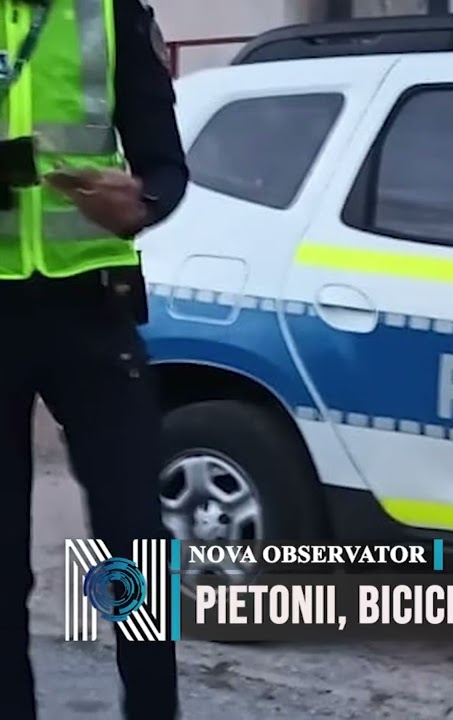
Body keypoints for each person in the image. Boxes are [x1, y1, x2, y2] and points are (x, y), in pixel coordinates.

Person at [0, 0, 188, 718]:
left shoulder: (110, 12)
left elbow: (165, 164)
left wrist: (143, 201)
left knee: (135, 546)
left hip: (92, 311)